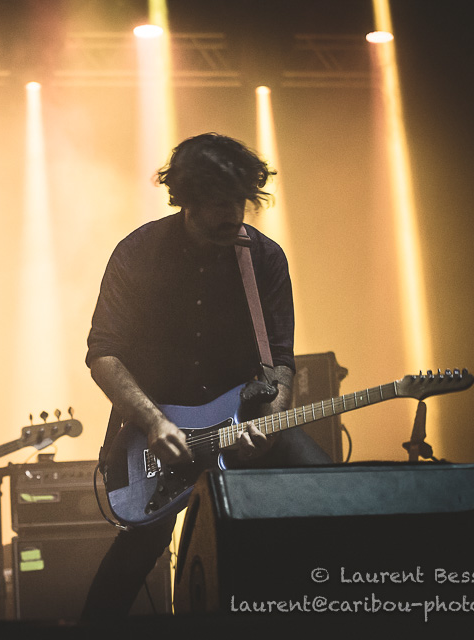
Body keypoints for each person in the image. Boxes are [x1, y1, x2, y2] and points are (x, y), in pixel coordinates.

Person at [81, 133, 332, 618]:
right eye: (219, 202)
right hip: (156, 430)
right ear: (187, 199)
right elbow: (103, 353)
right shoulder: (138, 252)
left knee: (329, 496)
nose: (233, 215)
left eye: (239, 201)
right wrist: (154, 422)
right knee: (138, 551)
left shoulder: (263, 257)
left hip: (243, 418)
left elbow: (281, 358)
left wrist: (271, 418)